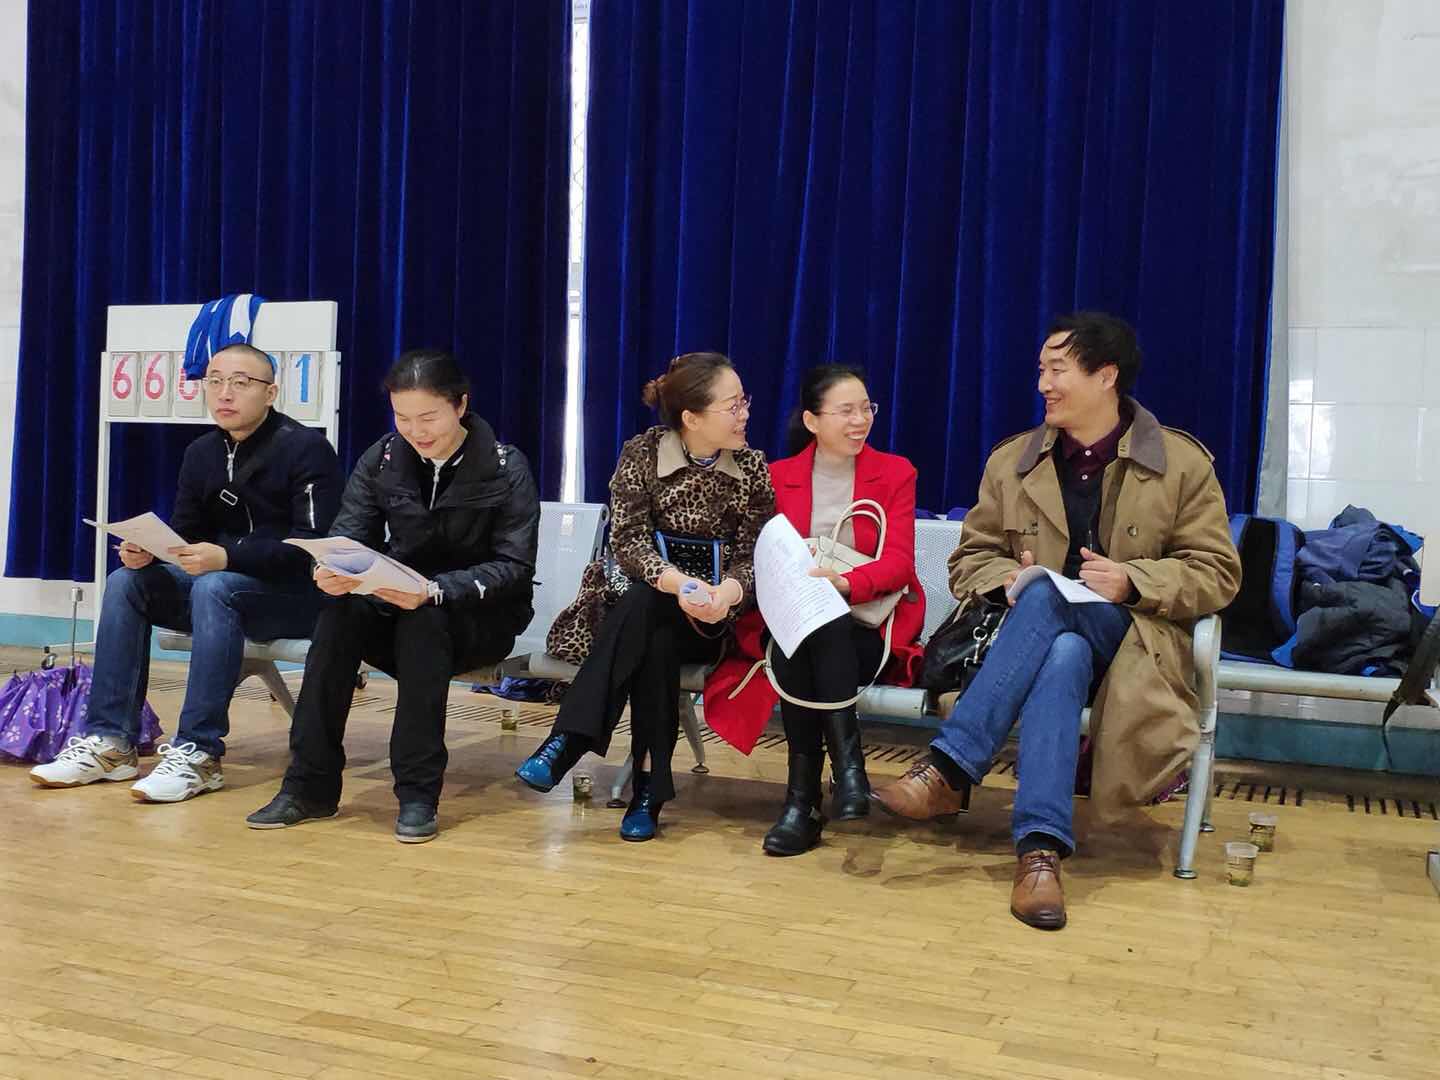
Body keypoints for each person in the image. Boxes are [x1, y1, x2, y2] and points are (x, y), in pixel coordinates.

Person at [872, 312, 1241, 930]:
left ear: (1106, 376)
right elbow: (970, 560)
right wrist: (1007, 580)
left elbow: (1218, 573)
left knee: (1051, 601)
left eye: (1058, 370)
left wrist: (1133, 580)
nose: (1043, 383)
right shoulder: (1012, 462)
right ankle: (1039, 855)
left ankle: (950, 767)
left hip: (1135, 645)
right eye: (1041, 370)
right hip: (1037, 648)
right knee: (1061, 644)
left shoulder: (1180, 463)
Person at [245, 350, 540, 843]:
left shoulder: (506, 466)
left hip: (477, 617)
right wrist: (330, 570)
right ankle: (308, 786)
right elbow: (348, 536)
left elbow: (514, 566)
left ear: (461, 405)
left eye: (429, 417)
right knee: (338, 615)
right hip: (395, 601)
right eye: (403, 417)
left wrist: (435, 591)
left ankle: (418, 793)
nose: (415, 431)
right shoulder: (383, 457)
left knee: (425, 622)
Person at [30, 344, 343, 801]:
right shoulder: (201, 452)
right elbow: (187, 534)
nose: (224, 393)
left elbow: (311, 547)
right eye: (214, 381)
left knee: (215, 585)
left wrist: (226, 558)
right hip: (219, 589)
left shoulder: (306, 449)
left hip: (294, 599)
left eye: (240, 382)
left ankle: (199, 753)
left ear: (271, 392)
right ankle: (111, 742)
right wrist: (152, 552)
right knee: (127, 583)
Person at [517, 352, 774, 841]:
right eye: (733, 405)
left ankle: (568, 741)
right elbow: (628, 540)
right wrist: (678, 583)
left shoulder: (752, 469)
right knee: (653, 627)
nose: (744, 414)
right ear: (691, 418)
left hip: (712, 618)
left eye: (744, 402)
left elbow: (754, 555)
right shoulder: (642, 453)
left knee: (649, 619)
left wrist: (725, 593)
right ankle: (648, 792)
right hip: (646, 603)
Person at [703, 365, 925, 856]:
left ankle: (802, 803)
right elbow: (758, 556)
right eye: (846, 411)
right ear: (811, 420)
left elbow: (899, 564)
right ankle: (848, 770)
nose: (860, 420)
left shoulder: (895, 472)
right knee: (806, 632)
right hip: (793, 624)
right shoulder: (776, 477)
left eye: (866, 408)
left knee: (819, 629)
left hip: (865, 627)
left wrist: (844, 584)